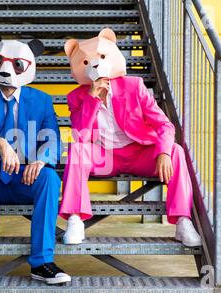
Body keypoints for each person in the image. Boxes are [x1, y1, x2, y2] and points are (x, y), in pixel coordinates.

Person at [59, 28, 202, 248]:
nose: (95, 65)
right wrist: (92, 100)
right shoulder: (77, 97)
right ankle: (76, 219)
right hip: (104, 156)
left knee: (176, 152)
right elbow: (81, 135)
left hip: (138, 152)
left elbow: (164, 124)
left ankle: (182, 221)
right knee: (77, 150)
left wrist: (163, 152)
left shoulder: (134, 87)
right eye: (87, 62)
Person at [0, 33, 70, 285]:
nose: (8, 70)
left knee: (50, 178)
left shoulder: (41, 100)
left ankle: (42, 263)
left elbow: (52, 139)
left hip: (24, 178)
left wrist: (41, 161)